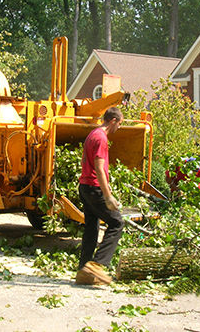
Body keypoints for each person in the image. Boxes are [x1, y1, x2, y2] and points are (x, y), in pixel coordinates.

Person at [75, 107, 125, 285]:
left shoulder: (92, 134)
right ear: (113, 120)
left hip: (84, 187)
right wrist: (108, 195)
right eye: (119, 124)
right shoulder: (101, 138)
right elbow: (99, 168)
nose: (118, 128)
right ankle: (97, 265)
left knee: (91, 228)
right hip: (94, 188)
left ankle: (83, 271)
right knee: (117, 223)